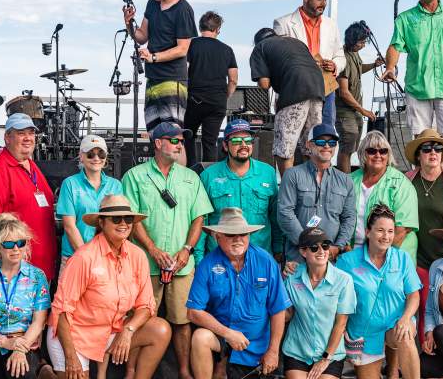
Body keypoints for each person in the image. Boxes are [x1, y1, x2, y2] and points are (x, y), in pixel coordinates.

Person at [122, 121, 213, 379]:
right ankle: (130, 372)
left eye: (182, 141)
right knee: (140, 318)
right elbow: (130, 218)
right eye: (174, 140)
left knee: (182, 321)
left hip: (182, 264)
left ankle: (183, 372)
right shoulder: (135, 176)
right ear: (158, 143)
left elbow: (199, 218)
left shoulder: (190, 177)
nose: (179, 145)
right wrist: (152, 249)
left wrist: (186, 250)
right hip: (145, 264)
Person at [48, 195, 171, 379]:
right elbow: (62, 311)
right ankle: (47, 373)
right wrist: (70, 356)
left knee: (160, 329)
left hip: (111, 331)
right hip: (75, 336)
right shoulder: (84, 257)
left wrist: (128, 331)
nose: (123, 223)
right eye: (116, 218)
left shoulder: (137, 255)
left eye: (128, 218)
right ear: (102, 222)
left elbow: (146, 305)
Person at [187, 207, 291, 379]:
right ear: (217, 237)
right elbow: (193, 312)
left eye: (243, 234)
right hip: (222, 340)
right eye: (230, 235)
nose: (238, 239)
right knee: (200, 337)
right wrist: (228, 333)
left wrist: (273, 351)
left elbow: (278, 309)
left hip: (257, 344)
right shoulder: (207, 264)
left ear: (249, 236)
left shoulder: (266, 261)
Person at [337, 204, 422, 379]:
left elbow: (413, 294)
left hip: (395, 324)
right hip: (364, 333)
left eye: (390, 231)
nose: (386, 236)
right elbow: (332, 291)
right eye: (381, 230)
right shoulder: (347, 261)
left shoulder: (402, 258)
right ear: (368, 232)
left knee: (405, 335)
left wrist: (406, 318)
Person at [0, 214, 51, 379]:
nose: (16, 249)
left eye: (20, 243)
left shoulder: (37, 276)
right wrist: (3, 341)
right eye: (8, 244)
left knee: (20, 373)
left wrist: (20, 349)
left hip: (23, 343)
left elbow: (39, 321)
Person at [0, 113, 57, 281]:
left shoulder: (30, 165)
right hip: (15, 275)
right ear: (7, 137)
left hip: (40, 268)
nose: (28, 138)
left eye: (31, 132)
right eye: (21, 133)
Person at [200, 119, 282, 259]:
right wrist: (199, 259)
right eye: (237, 140)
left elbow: (275, 217)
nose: (243, 145)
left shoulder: (267, 172)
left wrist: (279, 250)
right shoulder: (208, 175)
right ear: (225, 145)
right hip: (219, 257)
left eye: (248, 140)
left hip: (259, 256)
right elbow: (202, 221)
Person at [282, 227, 356, 379]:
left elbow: (340, 324)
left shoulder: (344, 280)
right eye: (314, 248)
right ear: (303, 252)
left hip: (331, 354)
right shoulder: (291, 277)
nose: (321, 251)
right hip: (297, 351)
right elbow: (286, 315)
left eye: (325, 246)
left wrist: (325, 358)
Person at [250, 28, 324, 175]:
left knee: (283, 148)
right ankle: (312, 186)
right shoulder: (296, 42)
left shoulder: (260, 48)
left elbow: (264, 84)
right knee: (310, 146)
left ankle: (287, 189)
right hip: (318, 88)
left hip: (295, 89)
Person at [277, 124, 356, 263]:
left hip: (332, 260)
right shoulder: (292, 175)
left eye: (332, 142)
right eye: (320, 142)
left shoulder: (346, 181)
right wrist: (307, 245)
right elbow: (284, 213)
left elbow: (349, 218)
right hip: (298, 258)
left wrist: (338, 246)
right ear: (309, 144)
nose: (327, 146)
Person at [122, 0, 198, 130]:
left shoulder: (183, 10)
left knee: (172, 135)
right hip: (152, 78)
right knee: (154, 134)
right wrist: (128, 24)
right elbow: (142, 37)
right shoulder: (152, 3)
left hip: (172, 80)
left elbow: (182, 49)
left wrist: (154, 57)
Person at [404, 129, 443, 343]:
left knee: (440, 312)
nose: (433, 152)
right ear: (418, 155)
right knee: (420, 308)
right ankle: (420, 360)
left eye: (438, 148)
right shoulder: (407, 181)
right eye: (427, 148)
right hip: (417, 258)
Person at [273, 0, 346, 130]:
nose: (323, 3)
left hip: (326, 89)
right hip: (296, 90)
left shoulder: (331, 25)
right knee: (294, 136)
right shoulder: (283, 23)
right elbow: (277, 59)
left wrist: (335, 64)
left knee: (324, 135)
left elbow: (340, 55)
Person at [383, 0, 443, 138]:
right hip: (417, 87)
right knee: (422, 141)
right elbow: (395, 46)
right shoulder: (404, 19)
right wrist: (390, 67)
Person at [56, 135, 122, 273]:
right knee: (70, 295)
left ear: (106, 158)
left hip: (106, 256)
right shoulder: (70, 184)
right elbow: (69, 226)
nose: (96, 158)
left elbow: (118, 223)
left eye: (101, 154)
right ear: (81, 156)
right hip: (74, 256)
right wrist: (86, 257)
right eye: (90, 154)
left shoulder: (115, 185)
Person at [350, 131, 419, 262]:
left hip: (392, 255)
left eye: (383, 151)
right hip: (353, 253)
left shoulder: (401, 183)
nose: (378, 155)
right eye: (371, 151)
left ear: (389, 155)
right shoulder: (350, 180)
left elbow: (402, 229)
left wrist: (377, 259)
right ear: (363, 154)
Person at [183, 10, 238, 167]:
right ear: (217, 29)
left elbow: (183, 72)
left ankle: (190, 174)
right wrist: (224, 96)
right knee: (210, 141)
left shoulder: (190, 45)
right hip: (217, 101)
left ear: (200, 27)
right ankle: (210, 179)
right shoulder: (227, 50)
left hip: (194, 99)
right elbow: (233, 80)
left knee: (188, 136)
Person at [335, 22, 384, 173]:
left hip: (354, 111)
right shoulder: (342, 57)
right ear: (351, 40)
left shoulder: (355, 53)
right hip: (345, 112)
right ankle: (345, 182)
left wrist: (374, 65)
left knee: (353, 148)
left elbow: (357, 69)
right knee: (346, 149)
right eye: (361, 42)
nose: (363, 45)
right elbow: (344, 92)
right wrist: (364, 111)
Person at [420, 228, 443, 378]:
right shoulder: (437, 267)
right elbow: (430, 309)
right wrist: (429, 332)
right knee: (421, 366)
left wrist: (438, 331)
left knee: (442, 331)